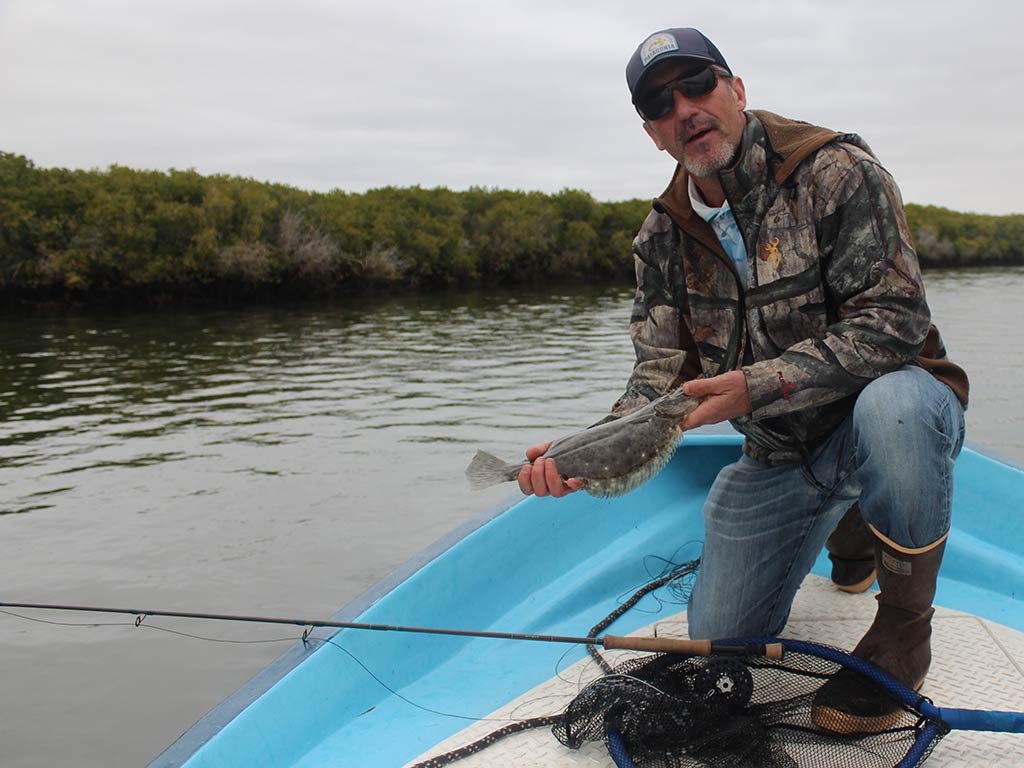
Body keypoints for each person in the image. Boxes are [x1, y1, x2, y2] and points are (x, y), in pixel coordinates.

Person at [517, 27, 969, 730]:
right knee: (722, 637)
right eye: (660, 102)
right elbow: (655, 379)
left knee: (896, 407)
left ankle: (903, 636)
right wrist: (580, 452)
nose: (685, 108)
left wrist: (757, 385)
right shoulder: (660, 238)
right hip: (779, 456)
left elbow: (895, 321)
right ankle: (853, 529)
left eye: (697, 84)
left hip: (886, 415)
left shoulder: (836, 171)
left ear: (737, 90)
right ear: (652, 134)